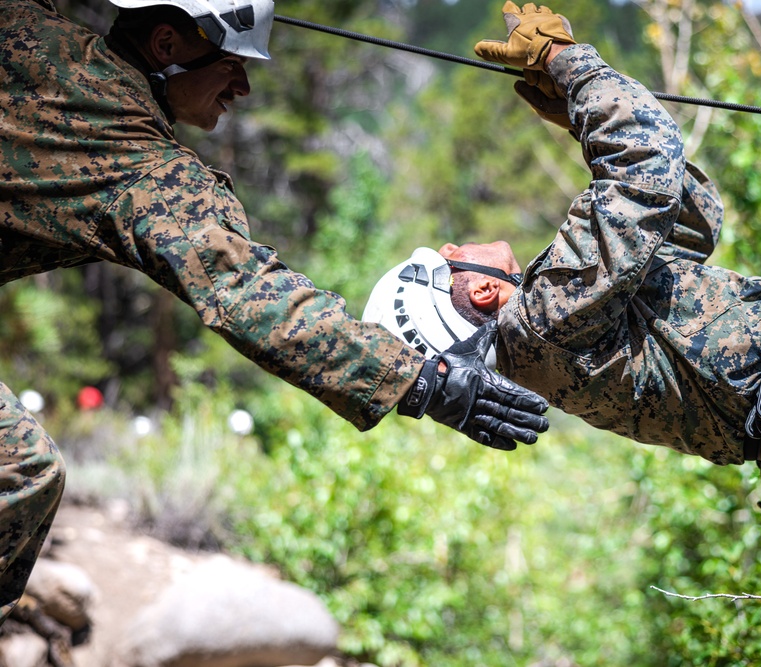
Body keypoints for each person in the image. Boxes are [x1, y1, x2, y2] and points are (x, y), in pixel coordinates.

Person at [0, 0, 549, 624]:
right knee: (19, 469)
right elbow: (249, 291)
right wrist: (421, 380)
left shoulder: (29, 25)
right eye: (232, 64)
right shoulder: (140, 165)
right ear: (165, 43)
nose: (245, 85)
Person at [367, 2, 761, 504]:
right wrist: (572, 67)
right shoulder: (543, 324)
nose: (453, 244)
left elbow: (690, 217)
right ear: (479, 291)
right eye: (447, 258)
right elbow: (644, 162)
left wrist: (580, 121)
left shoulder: (557, 323)